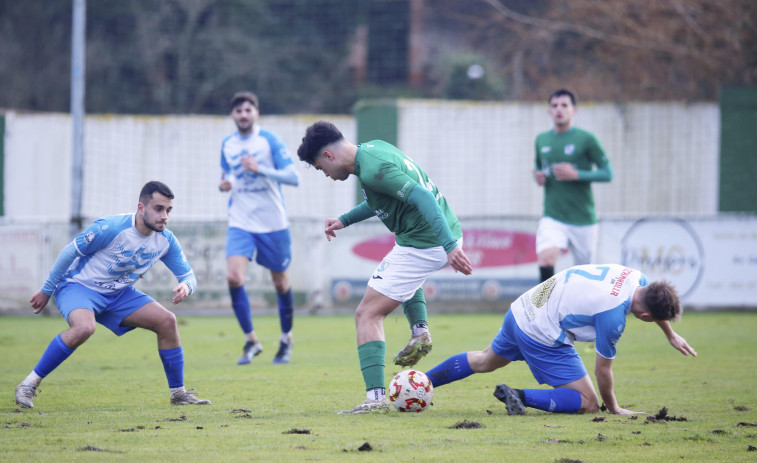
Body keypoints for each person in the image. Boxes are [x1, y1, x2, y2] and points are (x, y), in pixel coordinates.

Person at [296, 121, 473, 414]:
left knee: (367, 313)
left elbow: (422, 196)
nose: (324, 175)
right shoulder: (374, 150)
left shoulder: (373, 170)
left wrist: (450, 246)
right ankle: (419, 331)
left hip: (425, 242)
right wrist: (344, 219)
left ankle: (376, 399)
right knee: (401, 276)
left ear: (328, 156)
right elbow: (381, 201)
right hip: (421, 237)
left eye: (319, 168)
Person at [15, 181, 210, 408]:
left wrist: (186, 286)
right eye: (158, 209)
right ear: (141, 207)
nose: (164, 216)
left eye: (168, 210)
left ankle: (178, 393)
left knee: (167, 321)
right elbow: (70, 252)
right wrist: (47, 290)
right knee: (84, 328)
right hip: (80, 287)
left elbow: (189, 276)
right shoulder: (110, 228)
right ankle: (28, 384)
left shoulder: (165, 240)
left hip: (118, 294)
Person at [425, 264, 697, 415]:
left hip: (522, 308)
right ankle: (518, 396)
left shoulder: (637, 278)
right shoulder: (612, 317)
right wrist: (613, 407)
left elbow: (652, 301)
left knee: (486, 360)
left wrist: (670, 334)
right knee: (589, 402)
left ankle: (421, 383)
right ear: (646, 315)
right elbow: (603, 371)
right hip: (540, 331)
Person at [219, 91, 300, 365]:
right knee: (233, 277)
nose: (243, 115)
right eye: (238, 110)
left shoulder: (269, 141)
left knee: (280, 282)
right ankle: (251, 340)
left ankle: (286, 339)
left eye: (248, 110)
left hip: (273, 223)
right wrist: (225, 183)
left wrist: (260, 169)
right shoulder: (227, 145)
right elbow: (226, 174)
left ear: (256, 113)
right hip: (240, 221)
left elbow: (293, 177)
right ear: (233, 115)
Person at [532, 89, 613, 283]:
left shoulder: (586, 139)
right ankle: (545, 308)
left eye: (564, 105)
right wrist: (538, 176)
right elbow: (538, 167)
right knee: (545, 257)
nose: (559, 109)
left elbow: (607, 173)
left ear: (574, 110)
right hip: (553, 215)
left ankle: (586, 312)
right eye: (554, 105)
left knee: (586, 276)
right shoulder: (541, 140)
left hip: (582, 219)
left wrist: (577, 174)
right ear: (549, 111)